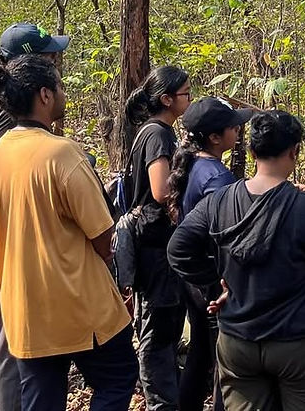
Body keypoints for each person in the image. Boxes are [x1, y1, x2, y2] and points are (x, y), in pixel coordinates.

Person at [167, 110, 305, 411]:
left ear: (252, 152)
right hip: (300, 342)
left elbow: (178, 249)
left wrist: (216, 284)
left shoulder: (219, 202)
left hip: (238, 343)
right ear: (294, 151)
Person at [0, 55, 137, 410]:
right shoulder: (61, 153)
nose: (63, 93)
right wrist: (120, 284)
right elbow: (104, 237)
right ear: (45, 95)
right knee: (118, 376)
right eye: (60, 86)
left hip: (25, 307)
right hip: (78, 305)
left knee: (42, 398)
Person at [0, 22, 70, 411]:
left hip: (5, 222)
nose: (54, 60)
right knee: (10, 325)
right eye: (48, 55)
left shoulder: (2, 102)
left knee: (12, 318)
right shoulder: (8, 110)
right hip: (9, 225)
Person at [166, 97, 254, 411]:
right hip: (211, 278)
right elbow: (227, 232)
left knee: (202, 352)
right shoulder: (216, 178)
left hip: (193, 279)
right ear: (215, 137)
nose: (238, 130)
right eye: (233, 126)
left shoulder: (194, 164)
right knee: (222, 357)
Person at [123, 65, 192, 410]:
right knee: (157, 334)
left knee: (167, 327)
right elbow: (161, 190)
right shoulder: (156, 134)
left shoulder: (161, 132)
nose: (189, 99)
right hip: (155, 249)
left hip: (162, 246)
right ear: (166, 99)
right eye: (185, 93)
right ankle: (161, 404)